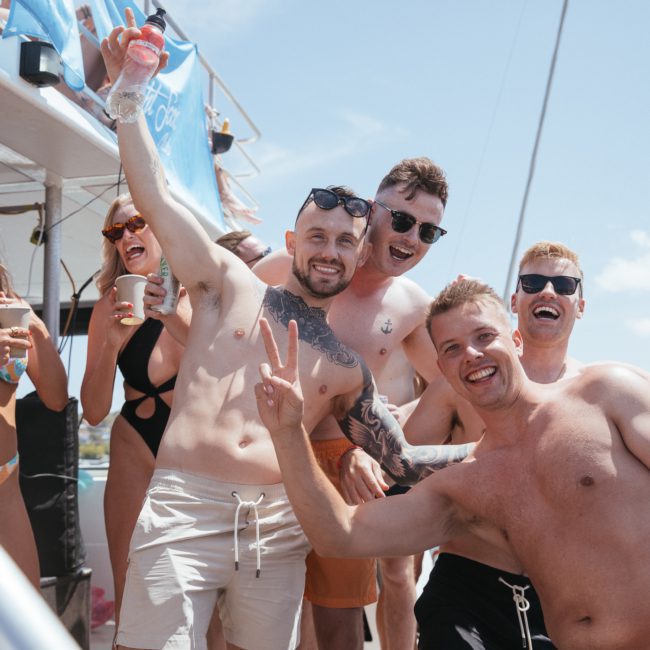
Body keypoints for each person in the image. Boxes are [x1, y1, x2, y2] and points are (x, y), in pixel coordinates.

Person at [100, 13, 469, 649]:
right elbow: (156, 199)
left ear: (360, 257)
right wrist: (130, 99)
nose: (329, 252)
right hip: (184, 504)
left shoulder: (345, 368)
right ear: (293, 241)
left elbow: (402, 460)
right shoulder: (226, 284)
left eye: (344, 244)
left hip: (277, 524)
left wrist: (501, 452)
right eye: (317, 237)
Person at [256, 277, 650, 650]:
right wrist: (287, 432)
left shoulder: (606, 394)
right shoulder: (467, 483)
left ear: (515, 339)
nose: (472, 355)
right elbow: (339, 535)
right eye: (452, 348)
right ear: (442, 369)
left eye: (484, 336)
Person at [258, 156, 448, 650]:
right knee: (257, 616)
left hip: (343, 471)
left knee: (341, 626)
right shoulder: (294, 266)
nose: (411, 238)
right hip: (266, 462)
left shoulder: (411, 305)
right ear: (372, 210)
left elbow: (449, 388)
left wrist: (368, 439)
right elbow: (217, 322)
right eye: (402, 220)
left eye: (428, 232)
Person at [406, 241, 586, 648]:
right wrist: (359, 457)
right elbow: (400, 466)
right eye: (534, 281)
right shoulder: (466, 378)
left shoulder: (595, 395)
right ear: (515, 299)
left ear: (581, 304)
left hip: (558, 595)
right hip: (466, 589)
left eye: (564, 284)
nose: (548, 292)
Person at [80, 194, 192, 625]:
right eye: (116, 231)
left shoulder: (196, 292)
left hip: (189, 446)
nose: (127, 236)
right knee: (131, 592)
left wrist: (168, 314)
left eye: (137, 224)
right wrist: (111, 341)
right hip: (133, 442)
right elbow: (92, 411)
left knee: (202, 595)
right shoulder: (109, 305)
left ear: (161, 228)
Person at [0, 263, 68, 588]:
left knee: (25, 624)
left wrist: (37, 329)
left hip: (5, 490)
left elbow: (56, 399)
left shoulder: (10, 313)